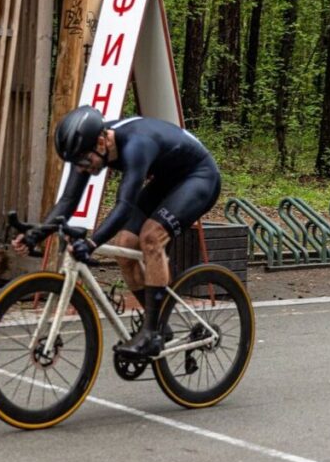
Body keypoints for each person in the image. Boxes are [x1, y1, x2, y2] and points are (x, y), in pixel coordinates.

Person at [12, 106, 221, 359]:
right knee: (124, 246)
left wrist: (92, 243)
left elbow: (124, 206)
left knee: (151, 237)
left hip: (200, 177)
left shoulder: (136, 145)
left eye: (84, 161)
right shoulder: (90, 147)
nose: (83, 169)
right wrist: (37, 234)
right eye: (77, 163)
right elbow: (68, 200)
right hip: (168, 179)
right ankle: (159, 325)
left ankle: (151, 335)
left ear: (101, 143)